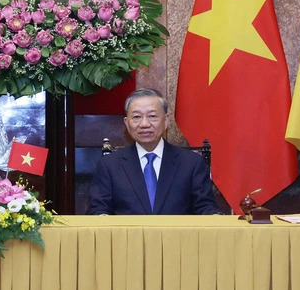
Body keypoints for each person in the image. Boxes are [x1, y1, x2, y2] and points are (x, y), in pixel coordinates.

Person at [88, 88, 221, 216]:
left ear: (166, 121)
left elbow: (205, 207)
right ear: (127, 123)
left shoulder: (191, 163)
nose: (144, 124)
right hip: (127, 238)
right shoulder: (109, 165)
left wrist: (214, 216)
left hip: (176, 238)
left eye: (152, 116)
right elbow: (98, 210)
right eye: (136, 117)